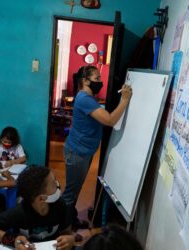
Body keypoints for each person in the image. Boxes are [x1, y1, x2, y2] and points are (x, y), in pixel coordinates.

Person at [62, 65, 132, 230]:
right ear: (85, 81)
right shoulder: (84, 99)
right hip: (77, 152)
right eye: (97, 79)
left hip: (83, 151)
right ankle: (63, 230)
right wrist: (125, 100)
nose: (100, 82)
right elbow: (109, 120)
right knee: (71, 193)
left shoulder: (88, 97)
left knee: (75, 190)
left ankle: (71, 220)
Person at [0, 165, 75, 250]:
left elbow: (67, 232)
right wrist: (13, 241)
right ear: (41, 199)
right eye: (54, 184)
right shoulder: (19, 212)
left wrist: (70, 239)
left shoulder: (60, 205)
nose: (58, 185)